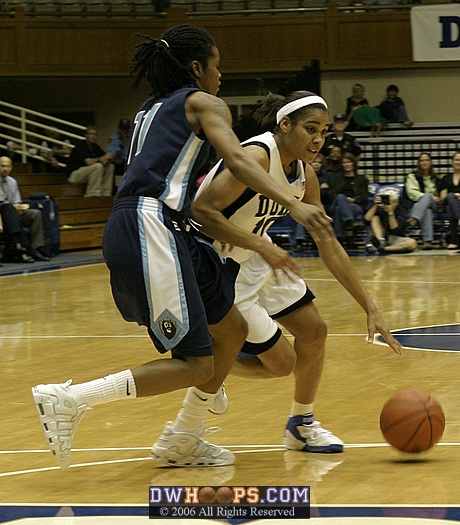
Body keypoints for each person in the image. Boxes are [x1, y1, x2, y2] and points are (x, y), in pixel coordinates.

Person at [31, 25, 334, 469]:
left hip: (170, 228)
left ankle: (184, 438)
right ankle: (70, 398)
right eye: (217, 65)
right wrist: (293, 203)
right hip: (151, 222)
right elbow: (235, 159)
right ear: (197, 68)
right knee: (197, 364)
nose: (220, 75)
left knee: (229, 330)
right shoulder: (204, 102)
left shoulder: (150, 108)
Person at [186, 91, 402, 455]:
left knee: (315, 331)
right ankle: (209, 368)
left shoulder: (304, 174)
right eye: (310, 129)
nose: (318, 139)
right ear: (284, 125)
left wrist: (370, 306)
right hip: (220, 263)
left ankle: (301, 425)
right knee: (281, 364)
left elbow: (328, 243)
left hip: (259, 254)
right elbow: (200, 213)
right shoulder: (256, 155)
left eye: (323, 131)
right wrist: (263, 247)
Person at [0, 156, 50, 262]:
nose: (5, 169)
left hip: (13, 213)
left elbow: (16, 200)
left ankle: (36, 248)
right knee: (8, 207)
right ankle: (19, 247)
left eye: (7, 166)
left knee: (35, 214)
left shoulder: (12, 181)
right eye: (2, 166)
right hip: (2, 215)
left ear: (11, 168)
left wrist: (20, 207)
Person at [329, 152, 369, 247]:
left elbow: (364, 195)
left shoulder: (362, 179)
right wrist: (344, 199)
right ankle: (350, 222)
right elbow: (332, 194)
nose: (346, 165)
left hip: (355, 205)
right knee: (341, 197)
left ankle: (340, 238)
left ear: (353, 163)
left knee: (339, 209)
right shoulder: (336, 179)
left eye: (348, 162)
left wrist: (353, 200)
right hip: (338, 202)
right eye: (344, 163)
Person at [403, 152, 441, 250]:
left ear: (431, 162)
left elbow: (440, 194)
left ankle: (414, 219)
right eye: (422, 161)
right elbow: (412, 193)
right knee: (426, 210)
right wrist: (428, 197)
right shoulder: (412, 176)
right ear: (418, 163)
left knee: (428, 199)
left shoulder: (435, 178)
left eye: (427, 160)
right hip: (415, 205)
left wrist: (436, 198)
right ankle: (428, 241)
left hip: (434, 205)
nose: (424, 162)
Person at [364, 189, 418, 254]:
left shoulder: (400, 211)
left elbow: (394, 230)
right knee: (375, 218)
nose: (387, 202)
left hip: (394, 238)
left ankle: (383, 249)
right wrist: (375, 205)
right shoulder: (378, 208)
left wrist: (390, 212)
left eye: (390, 201)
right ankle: (381, 242)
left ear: (396, 202)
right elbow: (367, 220)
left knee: (412, 243)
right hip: (379, 237)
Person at [66, 125, 114, 197]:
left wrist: (106, 160)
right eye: (91, 134)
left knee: (110, 166)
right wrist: (102, 158)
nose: (93, 136)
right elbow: (88, 162)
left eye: (95, 134)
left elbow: (105, 159)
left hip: (88, 173)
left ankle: (106, 193)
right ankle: (92, 194)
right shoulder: (81, 145)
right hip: (74, 175)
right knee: (98, 166)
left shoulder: (95, 146)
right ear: (86, 135)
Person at [439, 151, 460, 250]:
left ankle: (454, 241)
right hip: (449, 202)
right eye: (456, 160)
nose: (458, 162)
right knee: (451, 198)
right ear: (452, 162)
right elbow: (443, 196)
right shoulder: (446, 178)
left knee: (450, 209)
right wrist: (453, 196)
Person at [107, 118, 131, 190]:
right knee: (111, 167)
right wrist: (121, 144)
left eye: (126, 129)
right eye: (123, 129)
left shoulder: (132, 136)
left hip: (129, 161)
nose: (125, 131)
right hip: (117, 162)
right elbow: (111, 153)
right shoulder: (114, 137)